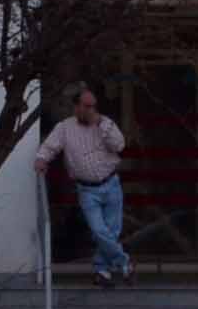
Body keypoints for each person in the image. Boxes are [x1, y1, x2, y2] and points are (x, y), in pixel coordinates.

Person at [35, 84, 133, 286]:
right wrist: (41, 159)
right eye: (86, 106)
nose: (90, 110)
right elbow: (49, 146)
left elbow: (120, 145)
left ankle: (102, 271)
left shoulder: (105, 124)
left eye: (93, 106)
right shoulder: (65, 128)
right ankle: (124, 262)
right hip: (87, 189)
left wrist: (102, 125)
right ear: (76, 106)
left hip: (111, 183)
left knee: (112, 231)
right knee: (99, 230)